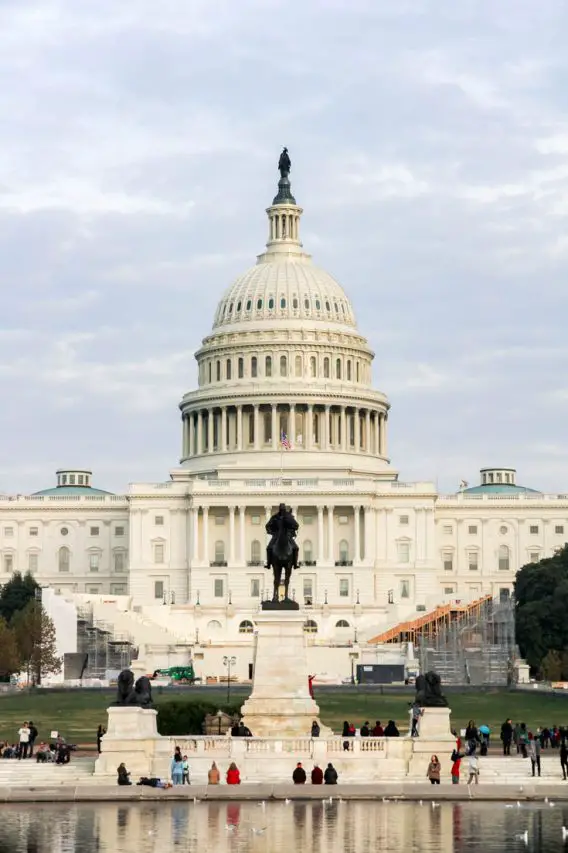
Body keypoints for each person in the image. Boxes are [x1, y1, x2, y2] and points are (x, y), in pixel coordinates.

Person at [265, 503, 299, 570]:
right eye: (281, 509)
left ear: (285, 509)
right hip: (276, 536)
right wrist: (271, 532)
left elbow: (296, 525)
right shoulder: (275, 517)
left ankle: (295, 564)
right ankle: (268, 564)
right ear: (279, 509)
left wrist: (293, 528)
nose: (282, 511)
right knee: (269, 548)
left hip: (288, 536)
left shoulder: (289, 516)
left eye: (283, 509)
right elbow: (268, 526)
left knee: (295, 548)